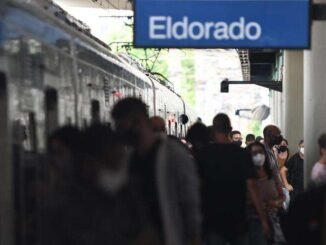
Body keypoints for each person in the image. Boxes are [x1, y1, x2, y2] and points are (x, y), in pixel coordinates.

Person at [111, 98, 201, 245]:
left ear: (138, 121)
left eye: (122, 125)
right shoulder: (128, 159)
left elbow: (189, 202)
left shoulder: (174, 154)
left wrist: (194, 238)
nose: (120, 131)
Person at [46, 124, 143, 245]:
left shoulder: (131, 196)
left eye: (119, 162)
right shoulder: (66, 204)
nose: (117, 170)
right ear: (87, 163)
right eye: (111, 163)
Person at [197, 113, 269, 245]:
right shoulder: (241, 154)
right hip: (237, 219)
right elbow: (252, 186)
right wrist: (263, 219)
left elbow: (197, 185)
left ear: (213, 130)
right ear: (230, 129)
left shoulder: (203, 154)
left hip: (212, 220)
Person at [247, 142, 286, 245]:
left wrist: (275, 202)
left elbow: (282, 196)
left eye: (260, 152)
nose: (258, 156)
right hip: (255, 218)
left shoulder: (272, 174)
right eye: (254, 153)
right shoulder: (247, 178)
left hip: (275, 216)